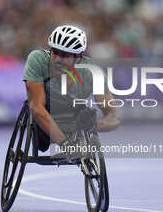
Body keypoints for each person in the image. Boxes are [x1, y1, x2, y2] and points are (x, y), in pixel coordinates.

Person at [23, 25, 120, 153]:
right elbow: (36, 107)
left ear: (77, 57)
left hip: (74, 120)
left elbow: (113, 116)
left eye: (64, 55)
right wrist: (66, 144)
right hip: (43, 120)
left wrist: (94, 126)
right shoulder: (38, 60)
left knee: (87, 115)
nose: (57, 59)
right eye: (55, 52)